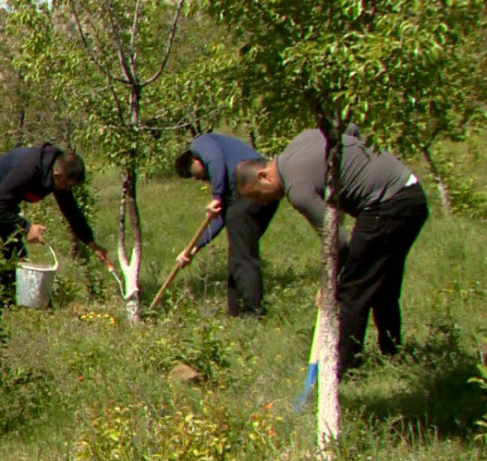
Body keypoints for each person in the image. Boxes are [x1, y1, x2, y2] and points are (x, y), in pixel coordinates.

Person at [234, 127, 428, 374]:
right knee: (382, 283)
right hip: (411, 193)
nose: (265, 202)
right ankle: (393, 355)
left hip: (387, 206)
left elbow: (338, 241)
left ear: (264, 176)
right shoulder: (302, 138)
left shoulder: (297, 189)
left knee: (350, 293)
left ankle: (345, 371)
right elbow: (350, 128)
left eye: (259, 196)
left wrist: (329, 283)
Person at [0, 143, 111, 297]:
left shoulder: (55, 172)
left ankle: (16, 307)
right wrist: (27, 227)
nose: (67, 189)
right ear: (58, 175)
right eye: (67, 185)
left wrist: (91, 243)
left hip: (2, 205)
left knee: (17, 261)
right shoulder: (28, 169)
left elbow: (70, 210)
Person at [174, 133, 280, 317]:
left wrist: (216, 196)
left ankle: (251, 311)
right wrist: (194, 248)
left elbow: (215, 159)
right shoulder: (226, 182)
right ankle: (235, 311)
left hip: (252, 185)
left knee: (243, 254)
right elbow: (221, 218)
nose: (198, 180)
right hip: (260, 190)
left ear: (194, 159)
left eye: (193, 175)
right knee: (240, 250)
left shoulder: (201, 143)